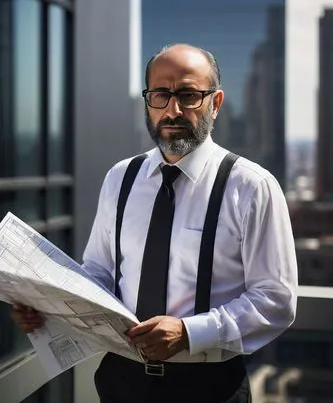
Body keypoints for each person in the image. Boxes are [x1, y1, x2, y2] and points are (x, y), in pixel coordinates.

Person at [12, 44, 298, 403]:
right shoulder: (121, 177)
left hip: (209, 388)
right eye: (160, 95)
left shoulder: (252, 186)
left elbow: (276, 299)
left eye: (189, 95)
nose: (172, 110)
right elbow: (99, 274)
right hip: (120, 381)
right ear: (147, 101)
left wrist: (188, 332)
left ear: (216, 102)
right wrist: (46, 310)